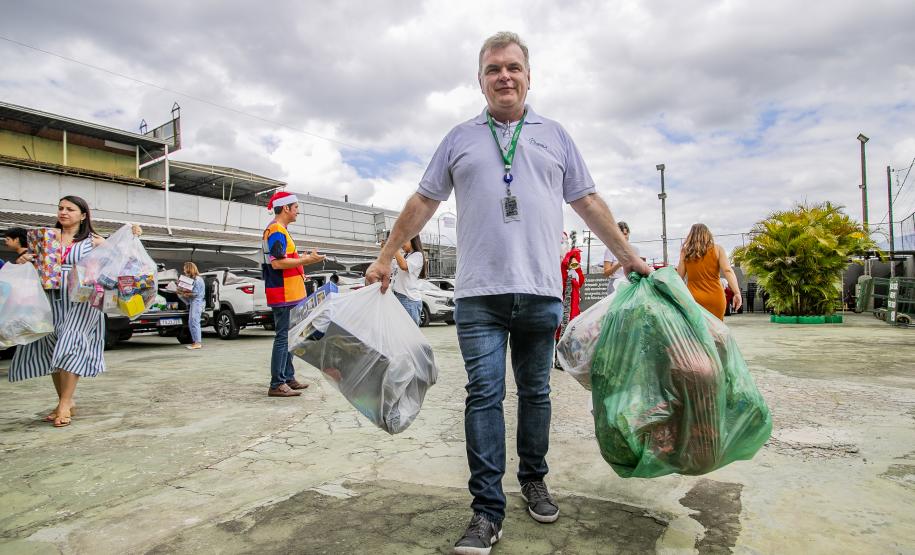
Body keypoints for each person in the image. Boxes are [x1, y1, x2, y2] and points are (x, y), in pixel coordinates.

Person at [364, 31, 651, 554]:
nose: (504, 76)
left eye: (513, 67)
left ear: (528, 76)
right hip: (479, 296)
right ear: (480, 80)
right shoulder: (459, 139)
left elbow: (586, 200)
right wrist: (386, 256)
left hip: (541, 293)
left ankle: (534, 479)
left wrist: (630, 257)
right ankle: (486, 510)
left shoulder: (555, 136)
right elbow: (423, 201)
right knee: (484, 397)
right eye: (494, 68)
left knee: (537, 394)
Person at [10, 196, 141, 427]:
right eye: (60, 208)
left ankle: (64, 403)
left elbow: (122, 260)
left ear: (83, 215)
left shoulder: (94, 241)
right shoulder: (46, 238)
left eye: (70, 209)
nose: (63, 212)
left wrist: (132, 234)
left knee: (70, 342)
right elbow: (35, 263)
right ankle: (65, 401)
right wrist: (24, 260)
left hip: (83, 299)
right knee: (52, 346)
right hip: (50, 296)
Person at [261, 191, 324, 398]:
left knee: (290, 337)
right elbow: (277, 262)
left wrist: (302, 265)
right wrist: (307, 261)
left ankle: (287, 377)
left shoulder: (281, 230)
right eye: (296, 207)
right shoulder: (276, 230)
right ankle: (277, 383)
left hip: (290, 292)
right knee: (283, 338)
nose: (298, 211)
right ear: (286, 208)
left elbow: (285, 260)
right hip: (284, 293)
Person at [676, 223, 742, 320]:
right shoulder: (718, 249)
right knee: (716, 332)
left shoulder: (685, 252)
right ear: (708, 234)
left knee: (698, 333)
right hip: (715, 297)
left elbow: (678, 277)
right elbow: (728, 271)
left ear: (691, 235)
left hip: (694, 298)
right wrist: (737, 293)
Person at [390, 235, 427, 326]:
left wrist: (394, 247)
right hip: (398, 297)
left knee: (410, 335)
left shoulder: (418, 255)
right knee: (401, 334)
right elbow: (390, 264)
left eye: (404, 241)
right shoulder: (405, 256)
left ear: (413, 240)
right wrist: (386, 249)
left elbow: (404, 266)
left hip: (408, 299)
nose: (401, 244)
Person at [603, 221, 639, 294]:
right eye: (620, 234)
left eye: (625, 234)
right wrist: (619, 264)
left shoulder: (635, 250)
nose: (623, 237)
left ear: (629, 234)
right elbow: (606, 273)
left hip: (630, 285)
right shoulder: (610, 250)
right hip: (614, 286)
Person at [178, 262, 205, 350]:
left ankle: (197, 342)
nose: (184, 270)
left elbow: (195, 293)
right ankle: (195, 342)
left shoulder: (197, 279)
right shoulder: (194, 279)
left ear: (189, 269)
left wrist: (185, 294)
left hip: (197, 302)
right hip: (194, 302)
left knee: (194, 321)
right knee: (191, 322)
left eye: (185, 268)